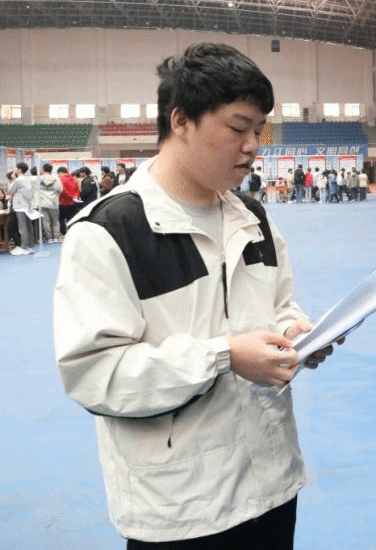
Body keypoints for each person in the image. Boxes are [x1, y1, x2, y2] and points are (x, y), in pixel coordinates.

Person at [53, 42, 342, 548]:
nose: (252, 146)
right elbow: (96, 375)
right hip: (182, 507)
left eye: (259, 130)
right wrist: (224, 356)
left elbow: (279, 302)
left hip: (270, 483)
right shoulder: (110, 232)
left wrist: (295, 331)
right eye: (237, 128)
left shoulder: (252, 217)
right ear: (181, 120)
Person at [9, 162, 36, 255]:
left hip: (20, 206)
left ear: (19, 169)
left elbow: (11, 190)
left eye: (15, 168)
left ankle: (24, 247)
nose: (14, 169)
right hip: (28, 205)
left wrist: (13, 179)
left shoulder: (18, 180)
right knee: (29, 226)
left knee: (22, 227)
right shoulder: (28, 179)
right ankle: (29, 246)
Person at [36, 163, 62, 244]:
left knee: (46, 221)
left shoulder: (39, 179)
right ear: (51, 170)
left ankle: (49, 238)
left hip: (43, 202)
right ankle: (56, 237)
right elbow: (60, 189)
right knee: (55, 221)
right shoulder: (55, 179)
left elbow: (36, 190)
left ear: (43, 169)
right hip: (53, 202)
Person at [57, 165, 82, 235]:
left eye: (58, 174)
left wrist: (70, 196)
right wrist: (75, 197)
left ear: (61, 172)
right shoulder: (74, 179)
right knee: (71, 218)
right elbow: (78, 190)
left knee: (61, 219)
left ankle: (64, 233)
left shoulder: (61, 180)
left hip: (63, 203)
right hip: (73, 203)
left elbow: (63, 191)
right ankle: (72, 233)